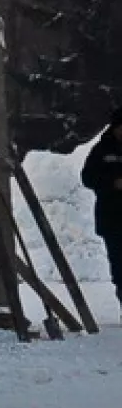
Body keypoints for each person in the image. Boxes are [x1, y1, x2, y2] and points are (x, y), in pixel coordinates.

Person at [81, 107, 122, 310]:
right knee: (120, 267)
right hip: (112, 218)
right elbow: (88, 177)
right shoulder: (102, 150)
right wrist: (112, 183)